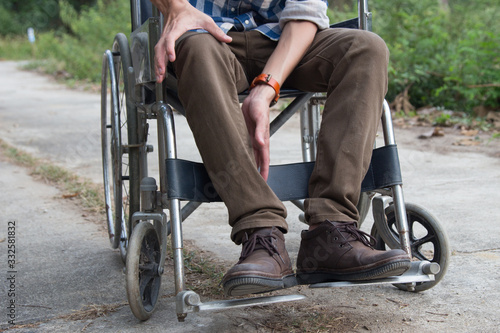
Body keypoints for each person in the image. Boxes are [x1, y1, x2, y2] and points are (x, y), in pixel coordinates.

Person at [149, 0, 411, 296]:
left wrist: (265, 88)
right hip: (201, 37)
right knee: (197, 49)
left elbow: (304, 14)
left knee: (366, 48)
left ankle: (332, 231)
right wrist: (175, 7)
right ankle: (260, 232)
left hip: (284, 40)